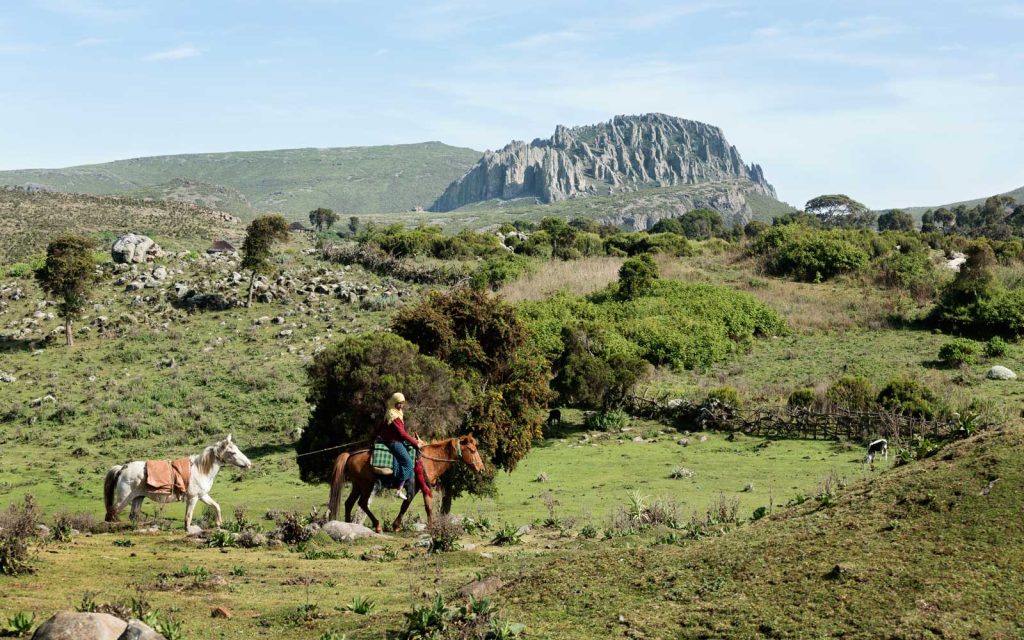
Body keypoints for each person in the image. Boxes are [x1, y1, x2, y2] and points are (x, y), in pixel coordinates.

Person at [375, 392, 422, 500]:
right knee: (409, 464)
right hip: (394, 442)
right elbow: (401, 433)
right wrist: (415, 443)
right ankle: (399, 490)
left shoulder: (394, 412)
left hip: (395, 440)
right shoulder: (393, 415)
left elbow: (382, 427)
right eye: (399, 403)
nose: (401, 405)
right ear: (394, 402)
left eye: (402, 403)